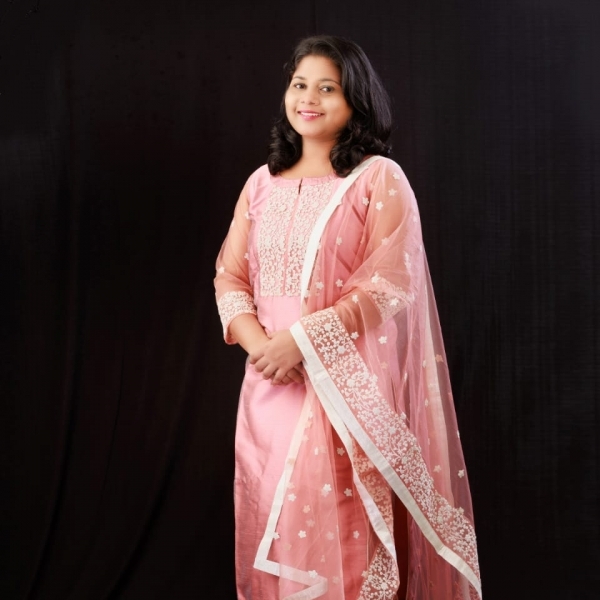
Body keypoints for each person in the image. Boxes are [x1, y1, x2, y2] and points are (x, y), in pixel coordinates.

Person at [214, 34, 482, 600]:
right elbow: (230, 278)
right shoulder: (260, 184)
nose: (308, 99)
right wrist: (263, 347)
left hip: (342, 388)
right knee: (271, 527)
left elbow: (391, 281)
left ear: (356, 100)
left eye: (327, 89)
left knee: (341, 533)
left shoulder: (377, 178)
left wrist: (301, 342)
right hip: (268, 387)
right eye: (299, 84)